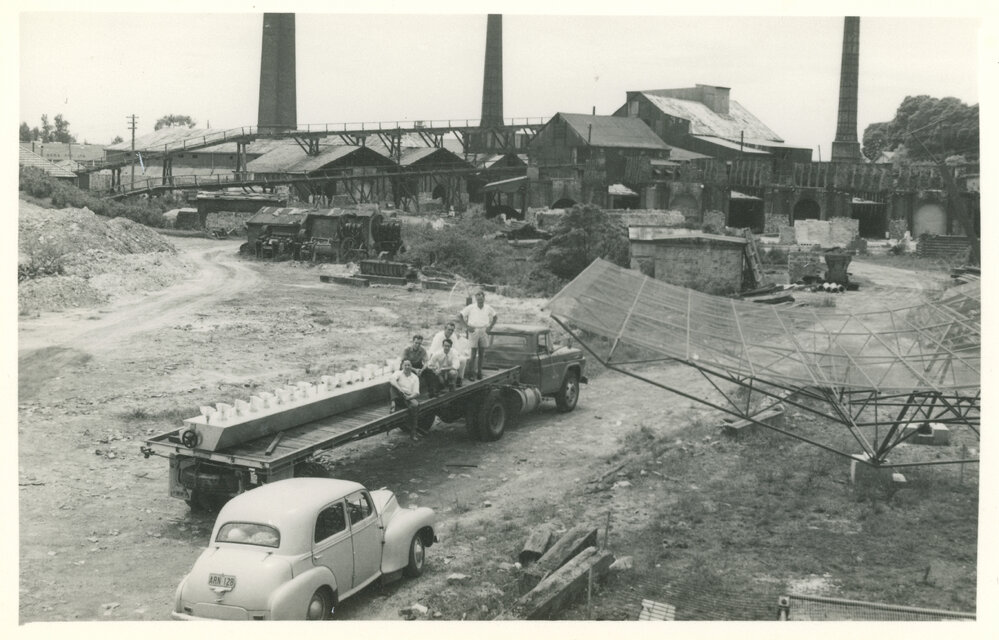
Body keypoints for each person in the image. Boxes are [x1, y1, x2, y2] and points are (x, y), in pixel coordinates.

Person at [457, 290, 498, 380]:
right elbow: (460, 315)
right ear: (476, 299)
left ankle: (479, 372)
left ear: (484, 298)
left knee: (482, 353)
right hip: (473, 330)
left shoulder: (488, 308)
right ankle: (471, 374)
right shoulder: (471, 307)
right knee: (473, 353)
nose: (480, 301)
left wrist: (490, 327)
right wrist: (467, 327)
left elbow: (495, 316)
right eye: (478, 299)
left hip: (483, 330)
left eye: (481, 299)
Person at [388, 360, 422, 440]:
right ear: (402, 366)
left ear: (411, 367)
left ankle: (413, 433)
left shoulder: (415, 377)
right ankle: (393, 403)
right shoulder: (398, 373)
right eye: (405, 365)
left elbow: (417, 393)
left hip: (408, 396)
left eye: (409, 365)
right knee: (393, 387)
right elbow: (391, 379)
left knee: (415, 406)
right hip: (399, 394)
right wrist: (400, 389)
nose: (407, 367)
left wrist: (409, 397)